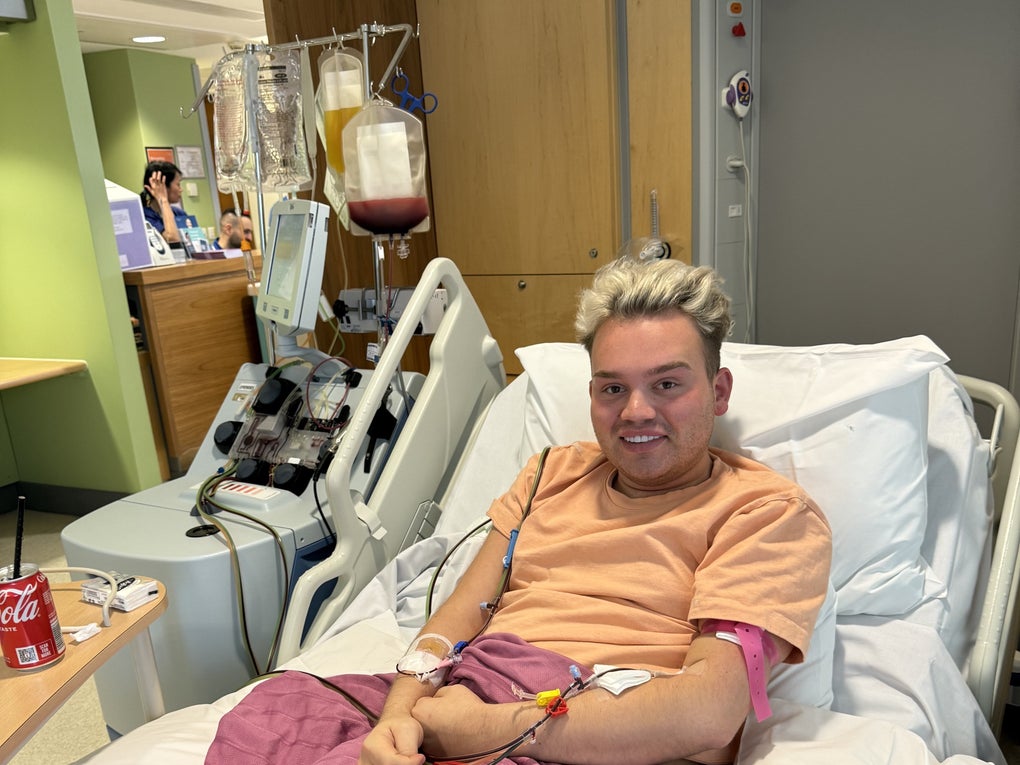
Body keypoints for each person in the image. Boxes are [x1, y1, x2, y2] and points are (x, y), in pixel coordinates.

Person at [207, 256, 832, 765]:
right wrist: (399, 720)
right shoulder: (550, 474)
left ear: (718, 392)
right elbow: (461, 611)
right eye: (613, 388)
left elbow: (707, 713)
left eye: (668, 384)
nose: (636, 410)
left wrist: (487, 729)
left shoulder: (767, 514)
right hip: (468, 692)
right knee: (275, 717)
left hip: (610, 732)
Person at [140, 161, 192, 245]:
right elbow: (172, 238)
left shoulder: (179, 213)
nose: (181, 189)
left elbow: (195, 241)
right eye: (178, 184)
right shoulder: (145, 216)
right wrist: (163, 199)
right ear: (163, 186)